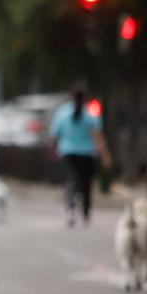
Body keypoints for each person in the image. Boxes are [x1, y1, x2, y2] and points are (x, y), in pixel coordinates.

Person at [49, 83, 113, 227]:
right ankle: (85, 212)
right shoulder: (91, 115)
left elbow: (55, 135)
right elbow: (98, 138)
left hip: (67, 152)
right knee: (86, 184)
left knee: (70, 181)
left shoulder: (62, 113)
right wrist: (105, 156)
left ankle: (71, 207)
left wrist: (52, 149)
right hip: (86, 154)